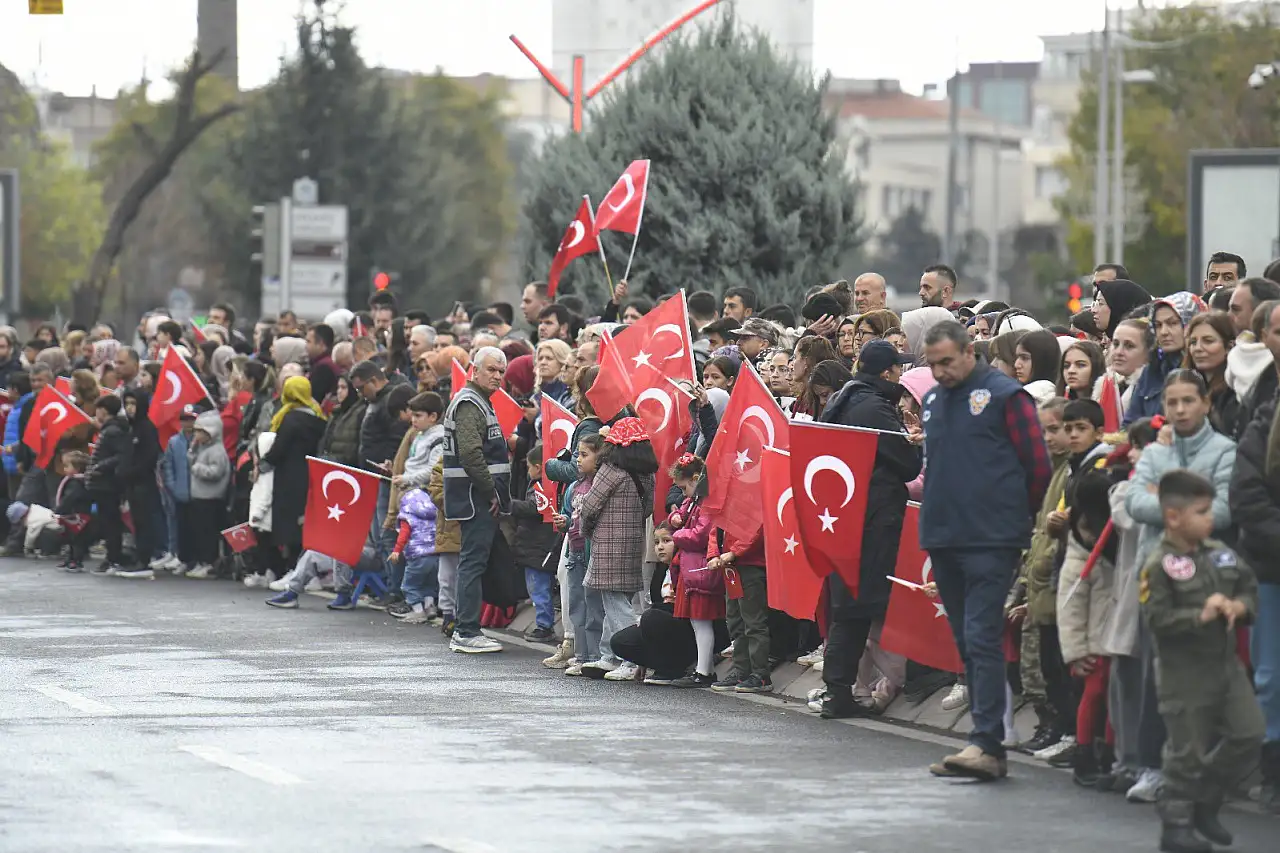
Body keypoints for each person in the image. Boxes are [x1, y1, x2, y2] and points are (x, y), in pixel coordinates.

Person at [920, 320, 1052, 780]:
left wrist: (1014, 519)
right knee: (965, 639)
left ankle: (988, 742)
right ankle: (984, 741)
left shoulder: (1004, 396)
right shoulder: (934, 400)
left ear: (968, 352)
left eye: (947, 362)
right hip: (945, 535)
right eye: (932, 364)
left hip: (991, 537)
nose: (940, 372)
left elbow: (1038, 466)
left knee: (981, 635)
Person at [1141, 469, 1263, 853]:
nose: (1210, 518)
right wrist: (1201, 616)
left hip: (1225, 667)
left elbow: (1247, 585)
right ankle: (1176, 824)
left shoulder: (1219, 553)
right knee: (1186, 751)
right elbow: (1156, 621)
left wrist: (1239, 606)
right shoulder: (1158, 565)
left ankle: (1205, 799)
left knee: (1249, 733)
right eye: (1202, 511)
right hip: (1184, 673)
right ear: (1174, 516)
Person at [815, 339, 921, 719]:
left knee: (848, 607)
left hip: (844, 517)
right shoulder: (874, 407)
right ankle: (838, 692)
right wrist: (913, 442)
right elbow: (907, 465)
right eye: (898, 369)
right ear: (886, 372)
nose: (901, 375)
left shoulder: (842, 400)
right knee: (856, 609)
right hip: (871, 520)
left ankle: (837, 690)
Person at [441, 346, 512, 654]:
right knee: (473, 562)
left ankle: (468, 627)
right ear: (475, 370)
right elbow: (471, 454)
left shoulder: (477, 401)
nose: (497, 376)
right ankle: (466, 630)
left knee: (476, 561)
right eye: (491, 370)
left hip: (475, 497)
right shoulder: (470, 403)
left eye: (501, 372)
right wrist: (491, 491)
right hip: (475, 498)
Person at [579, 417, 658, 680]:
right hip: (634, 541)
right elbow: (647, 508)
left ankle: (631, 658)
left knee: (615, 603)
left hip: (608, 543)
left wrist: (587, 530)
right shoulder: (647, 473)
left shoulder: (610, 469)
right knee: (617, 600)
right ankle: (609, 656)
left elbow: (590, 506)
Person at [666, 453, 721, 688]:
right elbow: (679, 515)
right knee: (697, 622)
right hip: (693, 569)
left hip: (700, 569)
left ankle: (704, 670)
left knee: (701, 622)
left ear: (696, 479)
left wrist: (677, 534)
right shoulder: (694, 501)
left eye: (684, 487)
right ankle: (704, 668)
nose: (683, 493)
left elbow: (700, 536)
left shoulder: (705, 503)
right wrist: (674, 517)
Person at [558, 433, 602, 675]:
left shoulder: (601, 485)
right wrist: (563, 521)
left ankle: (595, 655)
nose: (578, 459)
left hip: (592, 552)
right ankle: (581, 655)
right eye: (578, 454)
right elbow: (568, 514)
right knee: (577, 605)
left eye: (584, 455)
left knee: (594, 605)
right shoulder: (574, 487)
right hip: (574, 552)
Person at [509, 445, 558, 642]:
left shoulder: (542, 486)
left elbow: (534, 507)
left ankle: (544, 626)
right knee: (540, 587)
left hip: (537, 548)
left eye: (529, 466)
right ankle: (544, 624)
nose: (528, 470)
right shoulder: (548, 483)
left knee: (539, 588)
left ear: (538, 467)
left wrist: (509, 504)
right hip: (539, 547)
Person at [86, 395, 131, 575]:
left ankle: (113, 557)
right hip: (104, 483)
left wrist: (100, 467)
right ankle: (113, 556)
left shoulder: (112, 431)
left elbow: (121, 455)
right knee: (108, 521)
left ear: (104, 410)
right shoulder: (109, 430)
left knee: (110, 522)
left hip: (107, 484)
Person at [156, 406, 196, 574]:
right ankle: (178, 555)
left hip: (197, 491)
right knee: (178, 524)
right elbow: (168, 467)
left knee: (194, 527)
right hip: (179, 491)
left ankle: (191, 559)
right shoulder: (174, 442)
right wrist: (173, 486)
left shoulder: (200, 440)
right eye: (185, 419)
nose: (188, 423)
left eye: (191, 419)